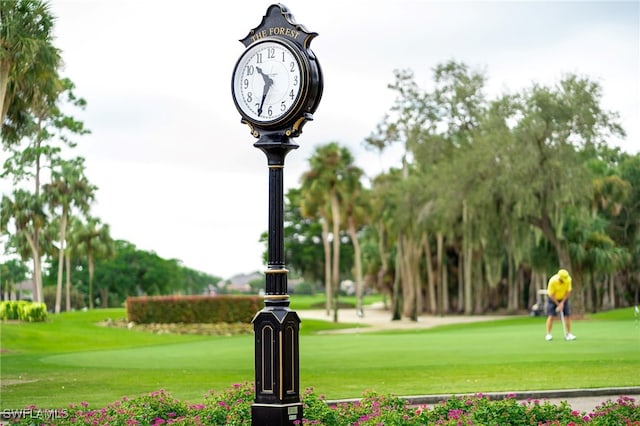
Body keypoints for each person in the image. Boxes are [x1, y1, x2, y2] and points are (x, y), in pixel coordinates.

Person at [545, 268, 576, 341]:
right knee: (551, 316)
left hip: (563, 299)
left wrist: (562, 303)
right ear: (560, 278)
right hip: (553, 299)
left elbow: (568, 292)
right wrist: (558, 304)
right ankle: (548, 334)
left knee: (567, 315)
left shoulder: (568, 280)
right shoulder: (552, 281)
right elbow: (551, 295)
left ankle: (569, 333)